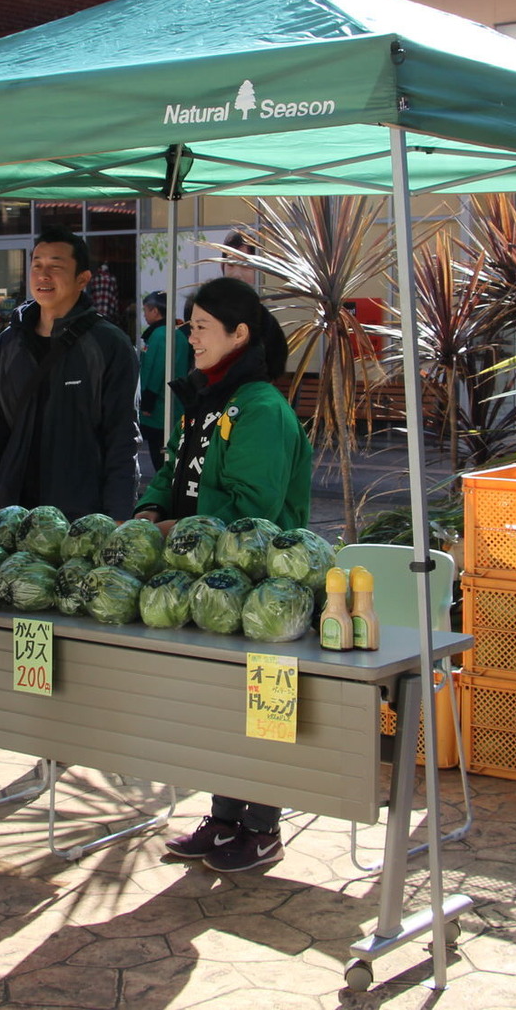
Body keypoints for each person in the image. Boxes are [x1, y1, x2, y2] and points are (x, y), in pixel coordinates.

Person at [0, 227, 140, 761]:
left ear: (84, 278)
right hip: (11, 507)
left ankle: (67, 731)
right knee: (5, 609)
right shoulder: (9, 340)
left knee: (67, 624)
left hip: (78, 512)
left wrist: (118, 515)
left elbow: (121, 438)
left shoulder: (109, 346)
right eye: (37, 264)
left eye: (57, 266)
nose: (43, 274)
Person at [132, 275, 313, 873]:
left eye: (201, 328)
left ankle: (262, 827)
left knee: (262, 707)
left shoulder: (261, 409)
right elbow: (171, 472)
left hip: (258, 590)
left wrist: (171, 532)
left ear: (240, 334)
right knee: (218, 704)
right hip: (203, 580)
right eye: (188, 328)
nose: (191, 339)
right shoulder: (206, 399)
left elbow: (250, 510)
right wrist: (150, 511)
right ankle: (225, 816)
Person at [137, 290, 192, 471]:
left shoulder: (159, 335)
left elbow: (155, 370)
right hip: (175, 403)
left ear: (154, 311)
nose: (144, 315)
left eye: (145, 310)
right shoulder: (178, 334)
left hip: (159, 408)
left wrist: (147, 402)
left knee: (160, 454)